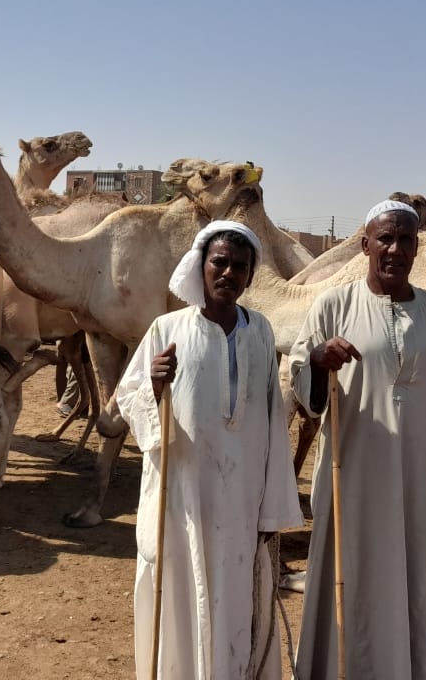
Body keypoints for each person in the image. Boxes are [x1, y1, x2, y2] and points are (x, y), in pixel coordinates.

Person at [289, 200, 426, 680]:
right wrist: (318, 363)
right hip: (353, 475)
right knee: (352, 578)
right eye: (385, 238)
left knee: (418, 580)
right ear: (365, 246)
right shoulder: (333, 305)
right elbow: (306, 397)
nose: (396, 249)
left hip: (424, 477)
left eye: (407, 239)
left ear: (418, 247)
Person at [117, 220, 303, 680]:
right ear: (201, 267)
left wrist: (273, 509)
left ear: (250, 275)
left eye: (239, 267)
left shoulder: (260, 331)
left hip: (243, 502)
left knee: (238, 602)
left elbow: (271, 421)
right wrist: (156, 386)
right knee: (181, 596)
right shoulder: (167, 328)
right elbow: (129, 400)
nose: (228, 274)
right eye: (219, 263)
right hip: (183, 500)